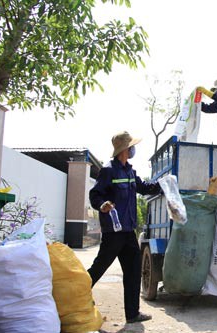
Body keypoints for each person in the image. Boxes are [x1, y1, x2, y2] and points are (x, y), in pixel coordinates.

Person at [88, 131, 161, 324]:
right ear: (124, 149)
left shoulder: (129, 170)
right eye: (131, 147)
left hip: (128, 231)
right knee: (99, 268)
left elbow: (143, 187)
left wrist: (163, 185)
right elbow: (95, 194)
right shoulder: (108, 170)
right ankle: (75, 295)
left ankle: (132, 314)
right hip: (113, 232)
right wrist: (102, 204)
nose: (133, 149)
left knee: (133, 271)